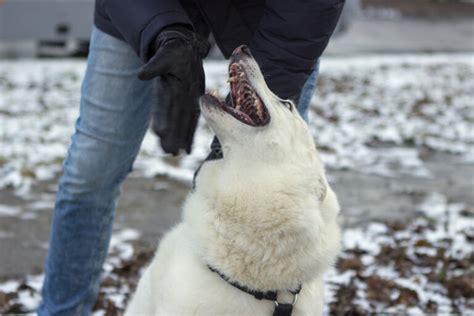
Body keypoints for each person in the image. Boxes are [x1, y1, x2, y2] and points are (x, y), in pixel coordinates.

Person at [38, 0, 344, 315]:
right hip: (139, 7)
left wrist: (235, 143)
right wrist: (162, 35)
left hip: (275, 19)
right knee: (91, 170)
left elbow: (303, 20)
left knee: (291, 201)